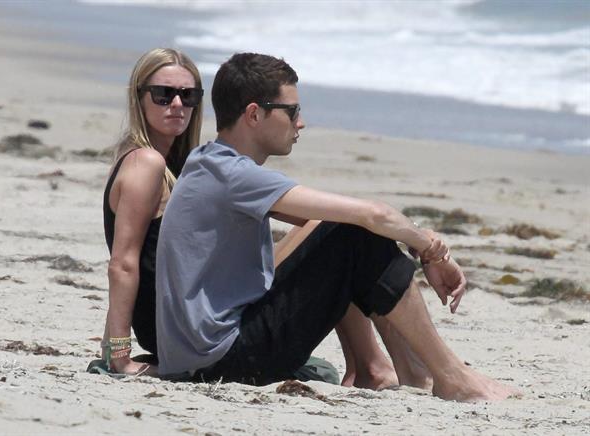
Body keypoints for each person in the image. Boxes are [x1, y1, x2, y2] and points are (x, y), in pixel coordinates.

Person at [156, 52, 518, 401]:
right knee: (354, 232)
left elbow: (325, 223)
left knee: (344, 229)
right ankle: (451, 377)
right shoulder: (235, 175)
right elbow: (371, 215)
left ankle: (399, 370)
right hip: (224, 362)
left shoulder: (208, 161)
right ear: (254, 114)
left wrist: (418, 238)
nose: (300, 122)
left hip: (200, 357)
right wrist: (429, 248)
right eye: (292, 111)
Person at [101, 48, 203, 375]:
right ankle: (367, 371)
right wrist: (118, 356)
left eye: (188, 95)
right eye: (163, 94)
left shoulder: (176, 164)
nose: (177, 104)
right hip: (174, 329)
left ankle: (365, 369)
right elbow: (123, 262)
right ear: (139, 97)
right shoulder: (147, 163)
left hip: (179, 323)